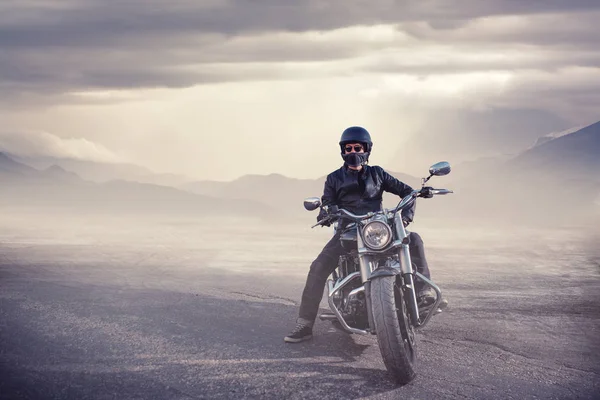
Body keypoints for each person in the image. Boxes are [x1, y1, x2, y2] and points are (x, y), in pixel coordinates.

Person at [284, 126, 439, 343]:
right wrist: (327, 212)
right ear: (343, 151)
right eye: (348, 148)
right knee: (318, 267)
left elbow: (407, 192)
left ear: (366, 149)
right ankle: (305, 323)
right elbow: (327, 202)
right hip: (347, 230)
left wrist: (406, 214)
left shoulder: (378, 173)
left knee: (413, 239)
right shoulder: (334, 178)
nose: (353, 152)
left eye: (357, 147)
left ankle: (423, 293)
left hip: (378, 229)